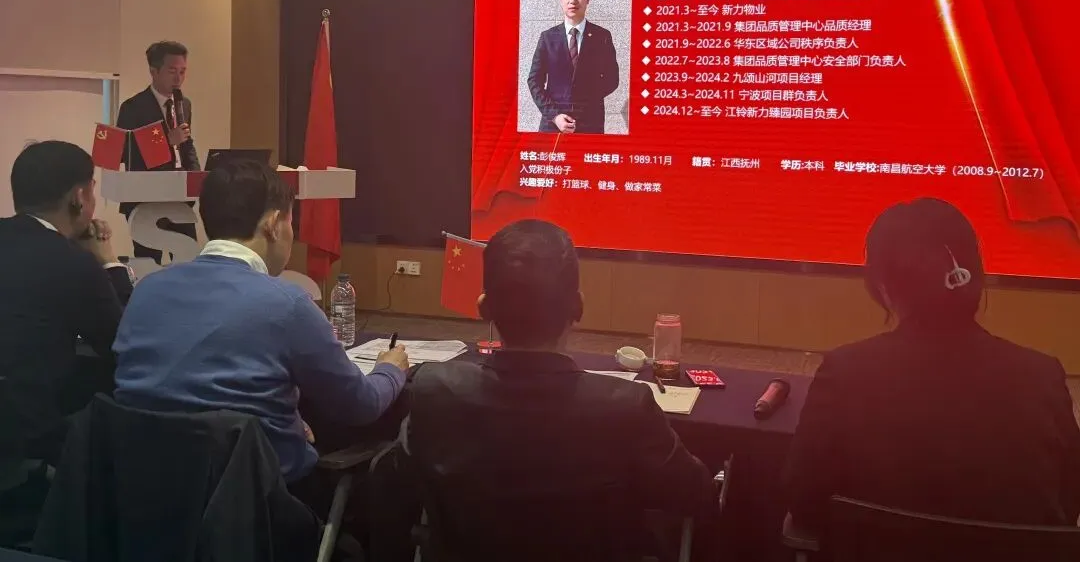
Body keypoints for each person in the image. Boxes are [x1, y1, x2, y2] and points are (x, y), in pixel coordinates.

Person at [387, 219, 715, 560]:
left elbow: (402, 477)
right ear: (578, 306)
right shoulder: (627, 407)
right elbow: (696, 493)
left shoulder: (432, 392)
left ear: (483, 307)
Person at [784, 198, 1080, 539]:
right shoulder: (1042, 377)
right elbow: (1067, 503)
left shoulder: (843, 373)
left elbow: (803, 499)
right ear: (973, 276)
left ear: (883, 286)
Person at [113, 159, 409, 490]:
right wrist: (390, 369)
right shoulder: (288, 304)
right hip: (256, 500)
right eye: (291, 223)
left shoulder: (146, 291)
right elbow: (361, 404)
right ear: (272, 224)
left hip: (146, 494)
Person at [0, 141, 133, 463]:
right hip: (32, 435)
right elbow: (125, 344)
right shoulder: (71, 262)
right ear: (79, 197)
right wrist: (108, 262)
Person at [116, 40, 198, 264]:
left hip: (178, 195)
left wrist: (197, 176)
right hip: (145, 197)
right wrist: (165, 142)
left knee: (186, 257)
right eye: (172, 71)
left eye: (183, 71)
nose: (178, 78)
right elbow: (125, 153)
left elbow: (187, 144)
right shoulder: (133, 107)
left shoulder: (184, 104)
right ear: (154, 71)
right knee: (149, 262)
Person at [527, 0, 620, 134]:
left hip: (590, 124)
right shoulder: (547, 38)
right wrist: (554, 115)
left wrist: (585, 103)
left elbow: (612, 79)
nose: (573, 0)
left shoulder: (602, 37)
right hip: (553, 125)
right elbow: (534, 81)